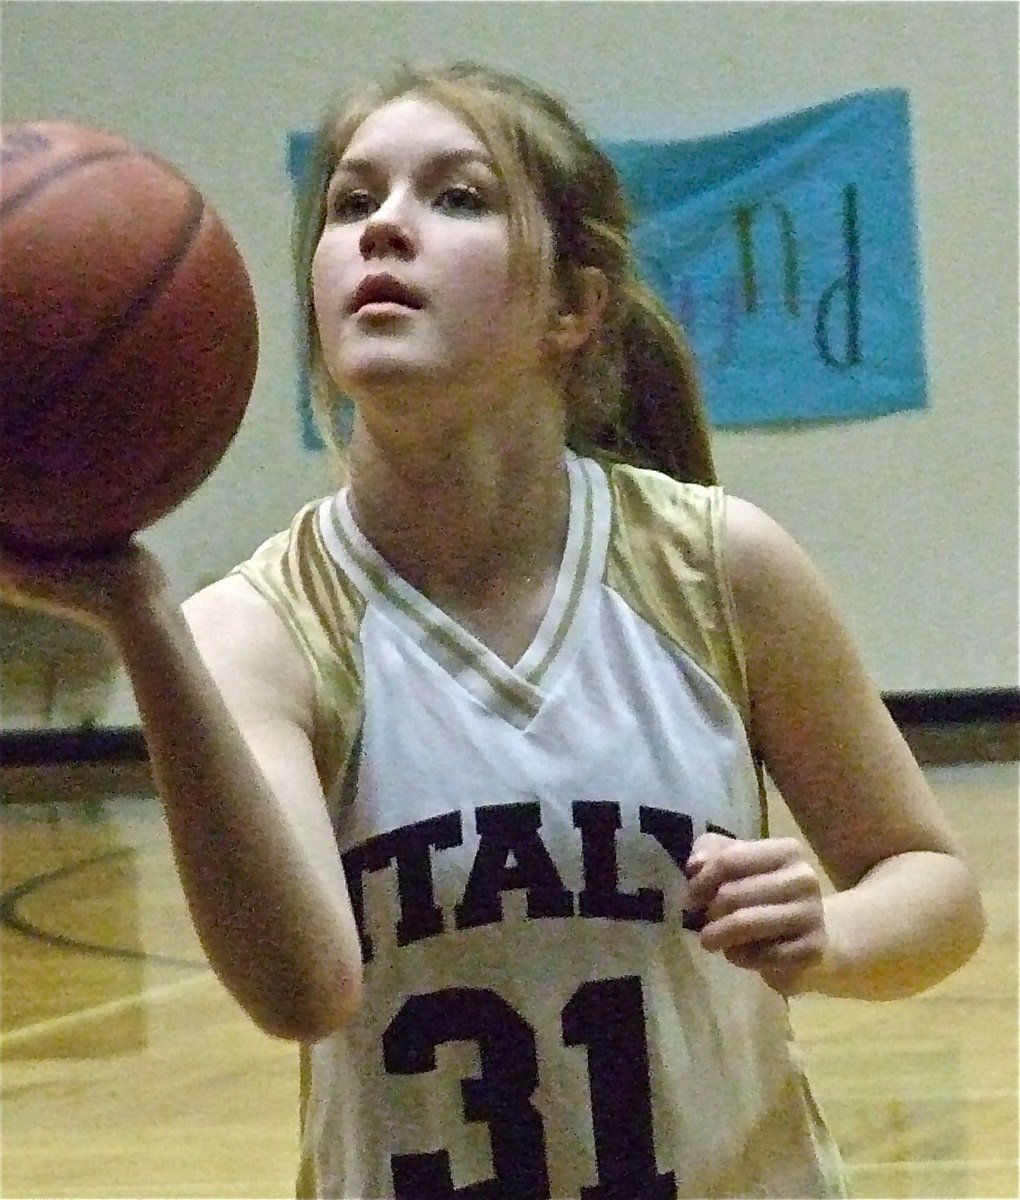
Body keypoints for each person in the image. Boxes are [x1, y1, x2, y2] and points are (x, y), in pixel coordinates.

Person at [0, 61, 985, 1200]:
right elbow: (304, 992)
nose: (385, 230)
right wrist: (138, 617)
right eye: (351, 203)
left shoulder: (717, 564)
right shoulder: (259, 628)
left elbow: (932, 888)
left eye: (456, 197)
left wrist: (836, 932)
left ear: (574, 306)